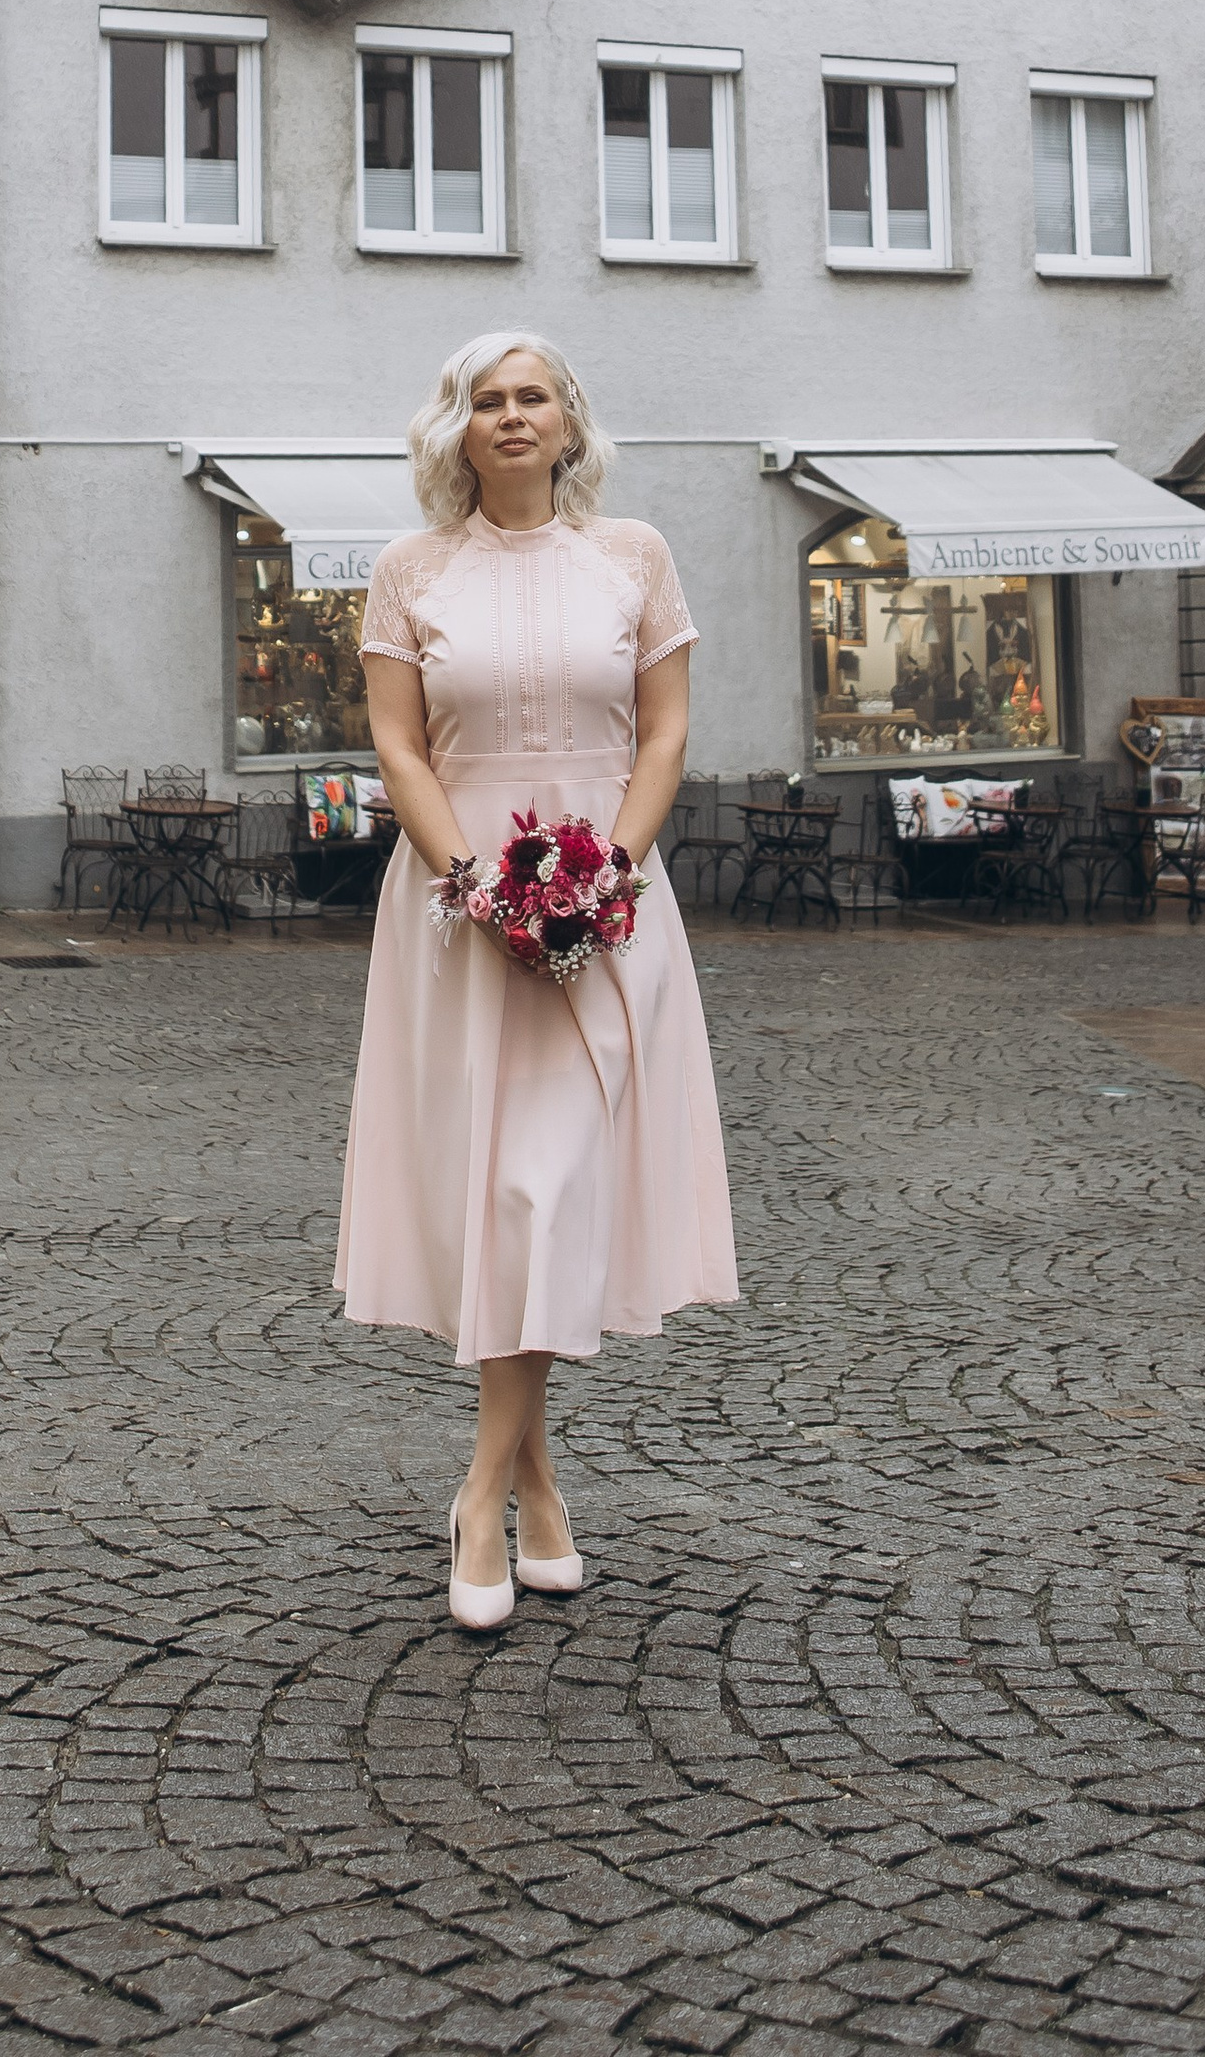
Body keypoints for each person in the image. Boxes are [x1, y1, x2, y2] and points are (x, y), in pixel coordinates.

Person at [336, 331, 739, 1630]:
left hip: (609, 916)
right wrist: (474, 885)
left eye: (535, 397)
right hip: (459, 915)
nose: (512, 417)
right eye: (486, 401)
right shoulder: (411, 571)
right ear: (457, 429)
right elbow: (398, 749)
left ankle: (479, 1490)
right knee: (505, 1201)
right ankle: (542, 1487)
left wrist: (606, 873)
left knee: (547, 1191)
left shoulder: (635, 557)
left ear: (571, 422)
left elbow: (668, 730)